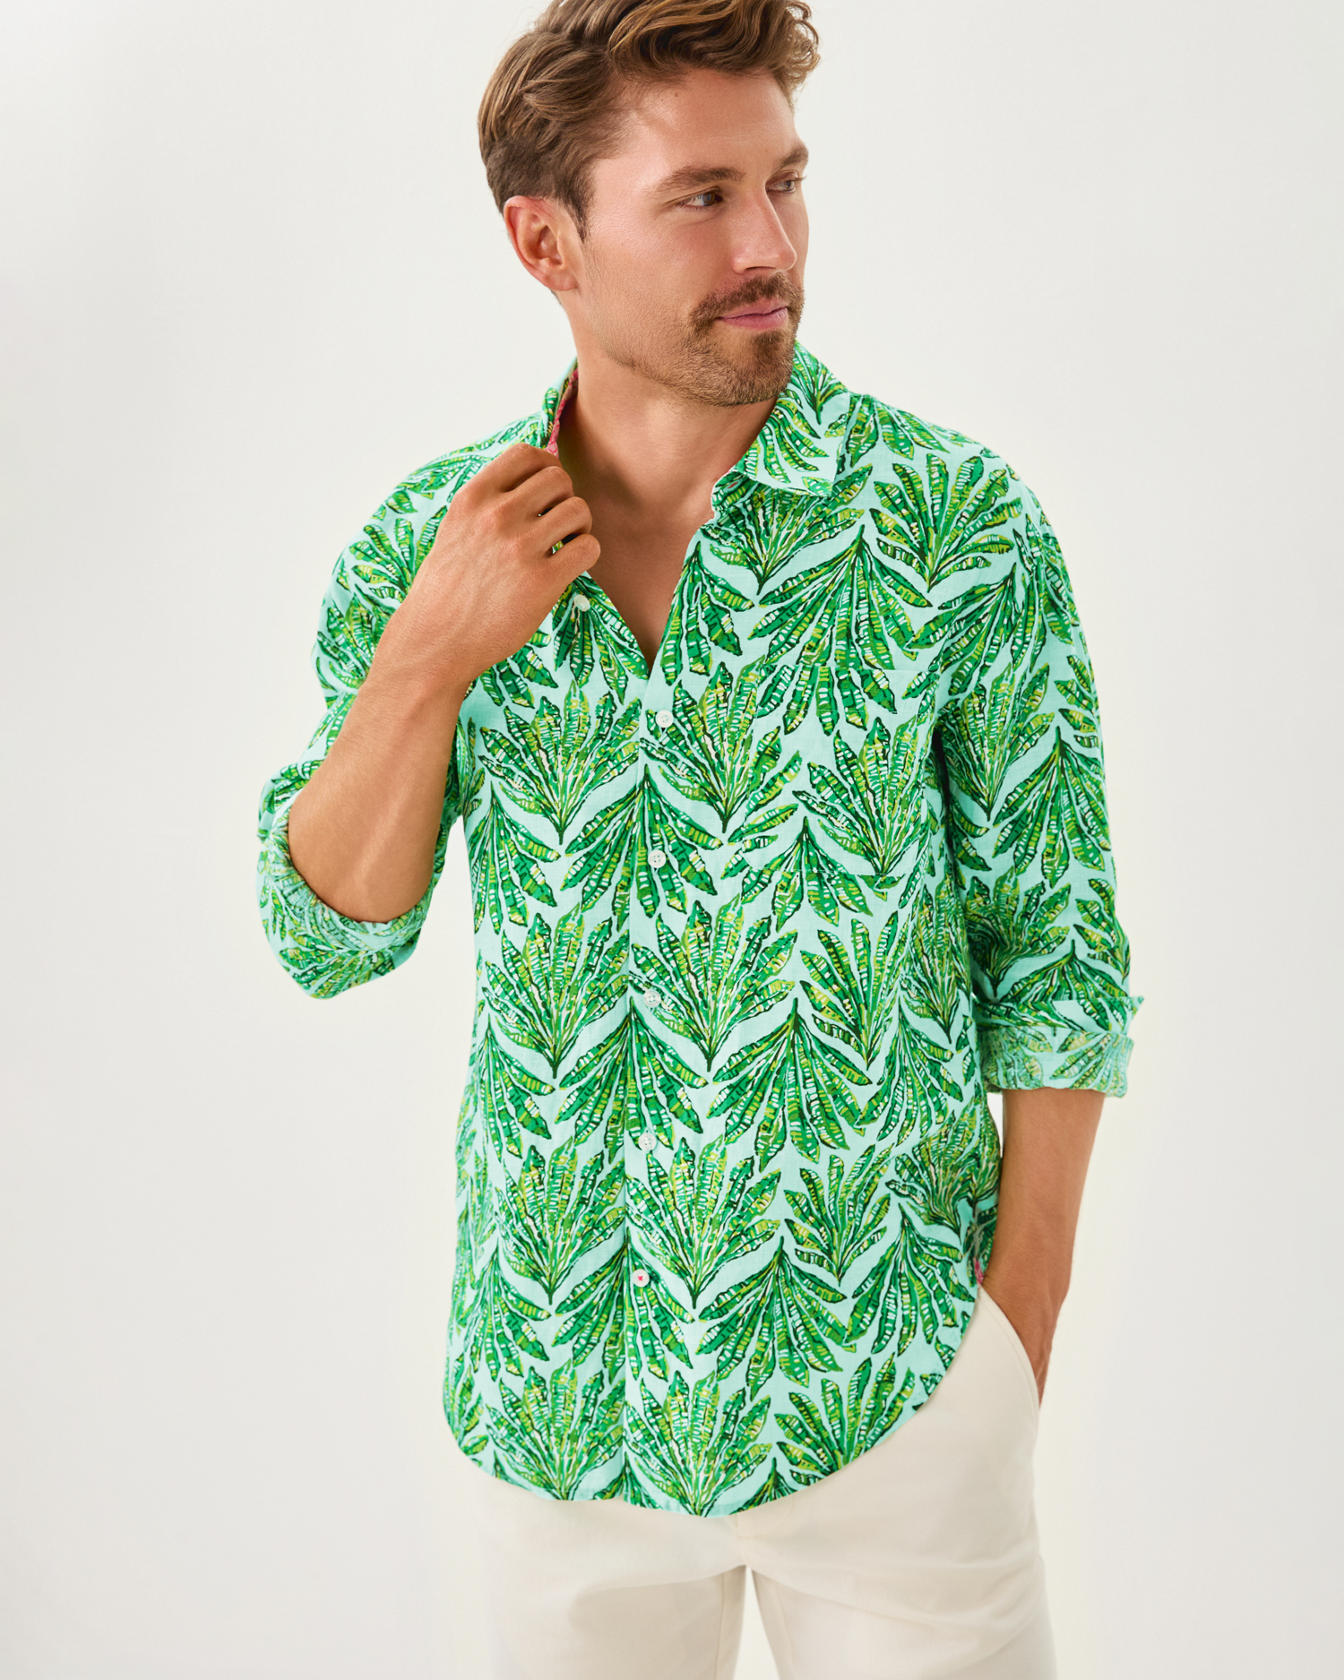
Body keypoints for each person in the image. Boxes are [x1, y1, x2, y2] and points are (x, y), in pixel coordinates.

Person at [255, 2, 1144, 1675]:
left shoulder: (952, 526)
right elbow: (330, 933)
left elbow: (1060, 960)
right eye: (701, 198)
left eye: (785, 184)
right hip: (558, 1416)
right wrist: (430, 655)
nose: (769, 250)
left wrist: (1007, 1354)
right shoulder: (429, 548)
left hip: (893, 1400)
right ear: (546, 242)